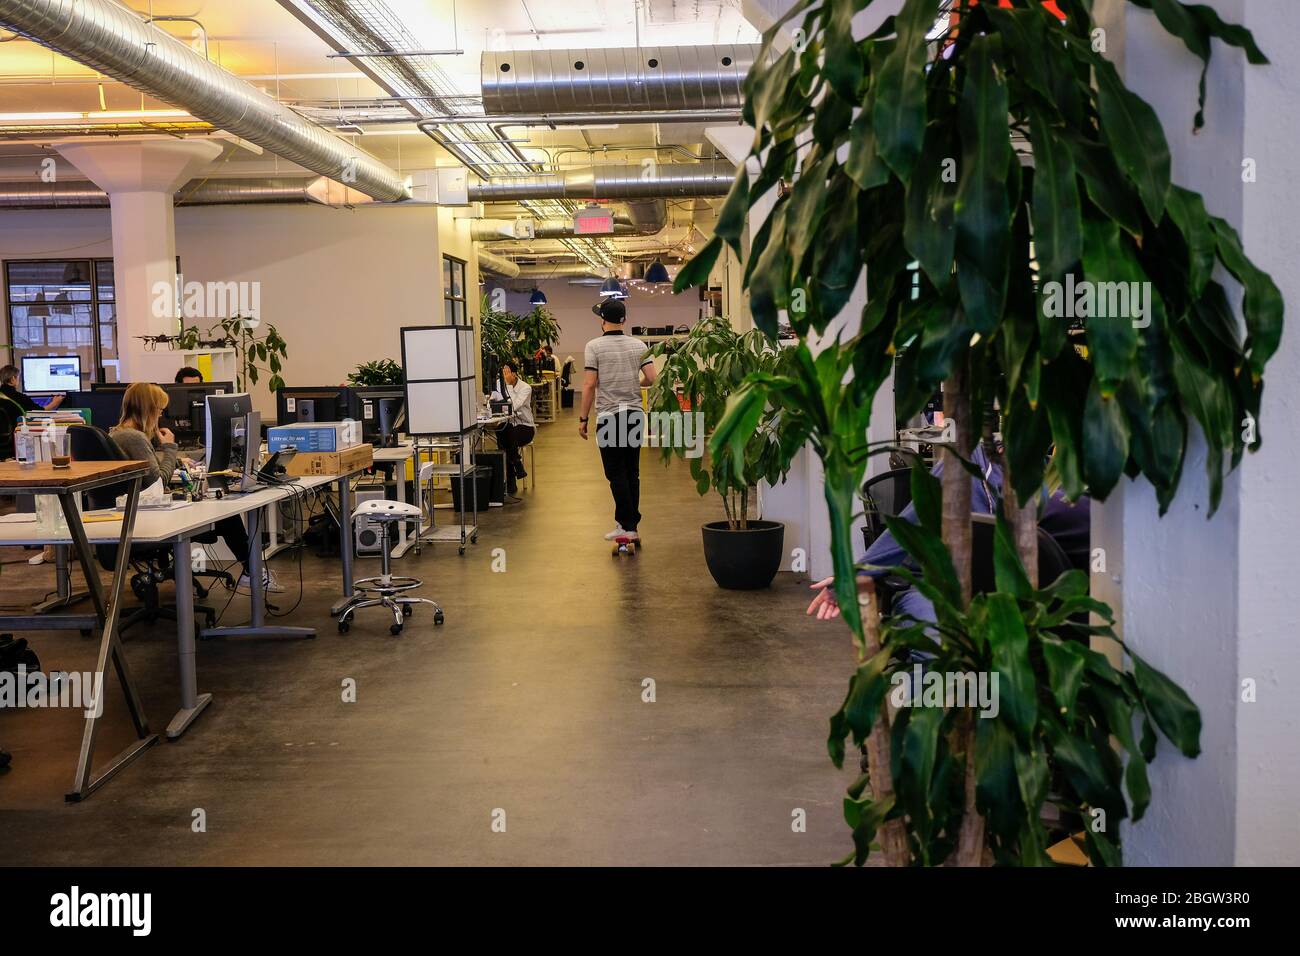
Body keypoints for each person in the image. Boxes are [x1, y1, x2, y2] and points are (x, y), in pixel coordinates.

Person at [806, 443, 1091, 624]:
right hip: (941, 585)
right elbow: (906, 530)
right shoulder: (967, 467)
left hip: (1029, 598)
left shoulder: (1070, 484)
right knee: (938, 640)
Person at [111, 383, 280, 594]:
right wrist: (170, 447)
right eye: (160, 410)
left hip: (137, 511)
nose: (160, 416)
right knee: (224, 514)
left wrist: (179, 461)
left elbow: (148, 470)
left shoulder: (120, 434)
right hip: (146, 517)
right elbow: (158, 482)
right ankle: (252, 573)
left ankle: (251, 572)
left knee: (220, 512)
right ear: (148, 409)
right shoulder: (134, 438)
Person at [579, 298, 657, 542]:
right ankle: (630, 524)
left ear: (603, 321)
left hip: (609, 416)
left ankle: (627, 525)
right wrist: (637, 383)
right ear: (624, 320)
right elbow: (652, 378)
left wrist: (583, 418)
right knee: (631, 471)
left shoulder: (593, 346)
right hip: (634, 414)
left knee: (616, 473)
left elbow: (590, 384)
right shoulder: (638, 345)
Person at [496, 360, 535, 497]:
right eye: (503, 373)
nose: (504, 375)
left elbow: (513, 406)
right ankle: (516, 463)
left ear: (514, 373)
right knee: (501, 429)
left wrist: (508, 387)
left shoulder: (525, 388)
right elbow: (496, 402)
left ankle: (511, 480)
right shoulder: (499, 385)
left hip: (526, 427)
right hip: (509, 427)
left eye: (507, 373)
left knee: (507, 437)